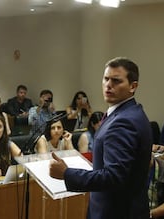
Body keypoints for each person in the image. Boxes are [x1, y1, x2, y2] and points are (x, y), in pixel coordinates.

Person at [49, 57, 152, 219]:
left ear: (133, 86)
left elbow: (113, 176)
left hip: (116, 212)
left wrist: (67, 173)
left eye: (116, 81)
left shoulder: (123, 121)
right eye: (106, 79)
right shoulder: (131, 112)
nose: (108, 85)